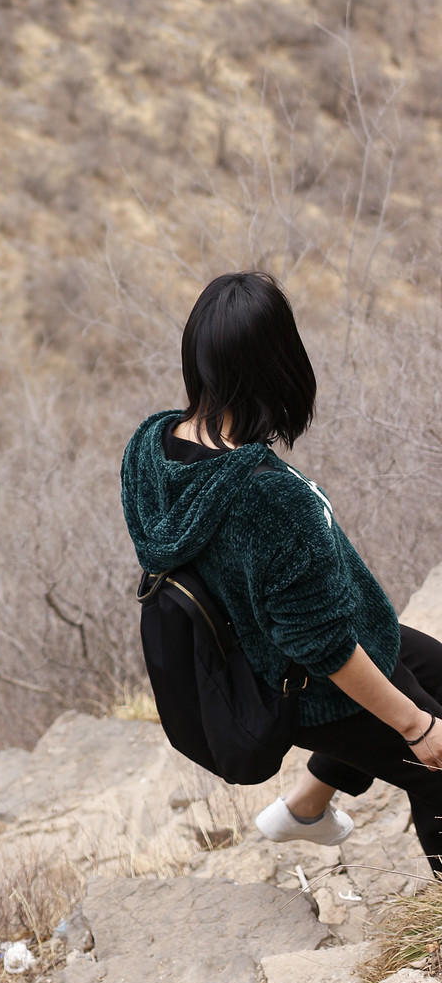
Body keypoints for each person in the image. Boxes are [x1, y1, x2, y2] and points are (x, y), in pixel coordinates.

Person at [121, 270, 442, 873]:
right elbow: (320, 646)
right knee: (439, 763)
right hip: (323, 687)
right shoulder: (265, 498)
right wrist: (417, 727)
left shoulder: (153, 446)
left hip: (329, 643)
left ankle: (305, 806)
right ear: (279, 366)